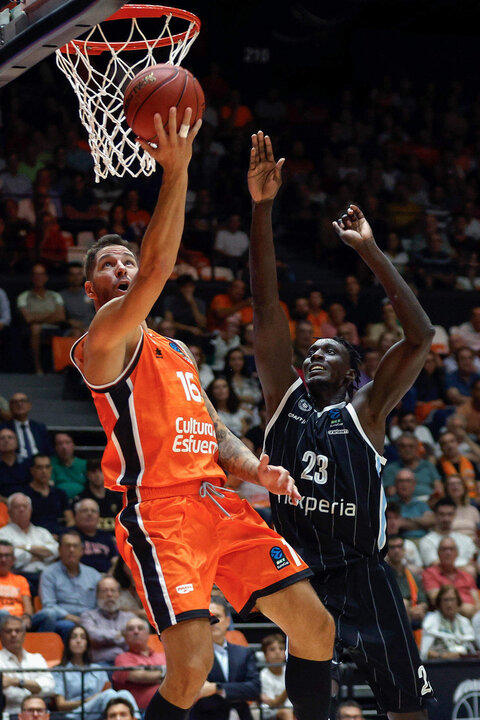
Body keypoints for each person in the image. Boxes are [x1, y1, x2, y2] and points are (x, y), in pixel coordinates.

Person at [71, 111, 334, 720]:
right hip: (160, 514)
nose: (123, 269)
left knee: (316, 629)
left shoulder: (179, 351)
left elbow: (211, 427)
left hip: (218, 503)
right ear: (91, 291)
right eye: (108, 267)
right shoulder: (104, 340)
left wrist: (255, 470)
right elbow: (160, 267)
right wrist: (178, 170)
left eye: (126, 263)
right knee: (189, 670)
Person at [248, 131, 435, 717]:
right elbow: (263, 304)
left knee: (408, 709)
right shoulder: (285, 398)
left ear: (356, 371)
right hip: (302, 574)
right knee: (310, 711)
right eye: (312, 349)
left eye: (331, 350)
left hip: (364, 575)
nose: (314, 353)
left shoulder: (367, 411)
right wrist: (261, 209)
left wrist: (371, 252)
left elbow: (422, 336)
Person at [189, 597, 261, 720]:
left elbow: (254, 689)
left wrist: (216, 688)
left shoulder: (244, 652)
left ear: (228, 621)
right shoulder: (192, 654)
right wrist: (237, 690)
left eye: (217, 616)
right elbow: (195, 692)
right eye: (209, 617)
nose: (214, 621)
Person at [54, 624, 139, 720]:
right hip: (74, 714)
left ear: (87, 643)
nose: (78, 641)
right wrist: (89, 700)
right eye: (74, 637)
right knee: (109, 694)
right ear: (68, 643)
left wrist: (98, 699)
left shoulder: (98, 669)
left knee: (124, 693)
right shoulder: (59, 670)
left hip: (98, 712)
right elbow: (60, 705)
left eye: (83, 637)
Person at [38, 530, 102, 638]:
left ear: (82, 550)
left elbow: (100, 604)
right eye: (67, 546)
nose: (71, 550)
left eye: (75, 546)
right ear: (59, 549)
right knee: (67, 626)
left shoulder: (94, 575)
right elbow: (49, 605)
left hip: (91, 619)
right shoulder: (49, 573)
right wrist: (71, 617)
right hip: (63, 620)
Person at [0, 492, 59, 597]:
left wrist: (25, 548)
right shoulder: (3, 533)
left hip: (47, 576)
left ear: (30, 510)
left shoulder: (42, 532)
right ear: (9, 511)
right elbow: (14, 559)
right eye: (17, 507)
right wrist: (42, 554)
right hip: (20, 576)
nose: (21, 509)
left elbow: (55, 551)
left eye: (25, 506)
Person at [16, 263, 66, 374]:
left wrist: (37, 316)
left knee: (74, 332)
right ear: (32, 277)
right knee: (35, 328)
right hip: (33, 331)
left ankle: (63, 370)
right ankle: (38, 368)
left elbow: (61, 317)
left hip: (55, 329)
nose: (39, 277)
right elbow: (28, 319)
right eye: (36, 274)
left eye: (41, 274)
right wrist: (51, 314)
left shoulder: (55, 296)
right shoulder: (23, 297)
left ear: (46, 277)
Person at [0, 615, 55, 714]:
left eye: (18, 631)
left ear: (24, 634)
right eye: (8, 631)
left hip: (40, 715)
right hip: (11, 715)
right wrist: (35, 688)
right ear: (1, 635)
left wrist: (16, 682)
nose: (13, 634)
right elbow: (9, 695)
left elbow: (49, 688)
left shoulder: (37, 658)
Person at [113, 617, 166, 711]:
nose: (136, 632)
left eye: (140, 628)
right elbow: (138, 676)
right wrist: (165, 673)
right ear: (125, 636)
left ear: (148, 633)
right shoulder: (122, 658)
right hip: (143, 711)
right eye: (130, 629)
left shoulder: (163, 655)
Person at [421, 537, 480, 619]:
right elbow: (435, 599)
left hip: (473, 618)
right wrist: (462, 607)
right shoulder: (430, 573)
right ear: (438, 553)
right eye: (444, 549)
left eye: (451, 549)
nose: (448, 552)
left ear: (457, 553)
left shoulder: (467, 576)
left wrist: (475, 614)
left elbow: (477, 602)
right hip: (444, 617)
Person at [419, 498, 477, 575]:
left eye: (450, 514)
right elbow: (435, 565)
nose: (446, 519)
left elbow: (473, 562)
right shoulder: (426, 541)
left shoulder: (466, 539)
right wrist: (465, 568)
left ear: (455, 515)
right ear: (435, 515)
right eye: (442, 514)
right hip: (441, 581)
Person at [420, 585, 477, 660]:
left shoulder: (464, 622)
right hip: (440, 665)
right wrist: (442, 656)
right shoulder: (431, 621)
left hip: (465, 664)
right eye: (445, 600)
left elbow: (473, 651)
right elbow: (425, 653)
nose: (449, 604)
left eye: (452, 599)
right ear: (439, 602)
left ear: (458, 602)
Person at [25, 454, 73, 535]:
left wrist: (62, 535)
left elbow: (70, 521)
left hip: (58, 536)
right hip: (33, 536)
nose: (44, 471)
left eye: (47, 467)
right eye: (39, 467)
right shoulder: (24, 495)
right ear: (32, 470)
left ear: (51, 469)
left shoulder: (60, 493)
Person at [74, 459, 121, 534]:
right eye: (94, 472)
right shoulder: (82, 498)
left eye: (101, 471)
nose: (98, 475)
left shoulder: (117, 497)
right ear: (88, 475)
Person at [72, 498, 117, 573]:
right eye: (85, 510)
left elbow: (114, 560)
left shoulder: (107, 537)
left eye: (93, 511)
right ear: (76, 515)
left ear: (98, 516)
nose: (89, 514)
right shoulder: (69, 535)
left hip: (105, 578)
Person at [5, 393, 53, 461]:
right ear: (10, 407)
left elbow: (49, 450)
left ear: (29, 406)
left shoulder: (39, 427)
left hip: (38, 465)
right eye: (15, 402)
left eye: (23, 401)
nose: (19, 404)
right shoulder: (4, 429)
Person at [259, 633, 293, 720]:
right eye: (272, 649)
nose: (277, 652)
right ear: (265, 655)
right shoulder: (263, 676)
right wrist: (290, 686)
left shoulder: (289, 671)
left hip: (293, 710)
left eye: (281, 649)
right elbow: (274, 704)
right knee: (285, 713)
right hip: (270, 713)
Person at [0, 540, 33, 627]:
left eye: (7, 556)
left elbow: (28, 606)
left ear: (13, 559)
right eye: (0, 556)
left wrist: (26, 617)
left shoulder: (21, 580)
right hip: (2, 619)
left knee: (48, 615)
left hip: (20, 620)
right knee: (3, 613)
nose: (3, 560)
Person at [51, 433, 87, 500]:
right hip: (59, 501)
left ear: (73, 445)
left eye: (67, 443)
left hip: (83, 501)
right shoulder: (50, 464)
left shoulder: (84, 464)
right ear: (55, 447)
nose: (64, 447)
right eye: (60, 443)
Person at [443, 474, 480, 539]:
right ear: (446, 489)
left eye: (459, 483)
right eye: (451, 484)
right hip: (452, 545)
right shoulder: (443, 510)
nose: (455, 486)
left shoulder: (473, 510)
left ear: (464, 488)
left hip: (473, 544)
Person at [0, 427, 30, 498]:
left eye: (10, 437)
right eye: (2, 438)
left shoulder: (27, 463)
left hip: (25, 502)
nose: (6, 440)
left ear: (17, 442)